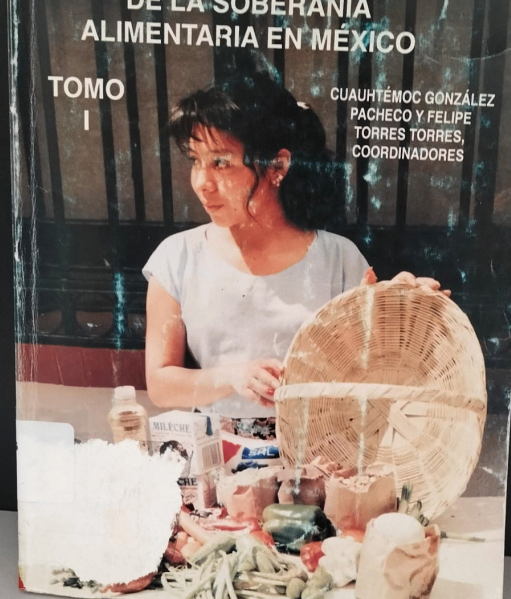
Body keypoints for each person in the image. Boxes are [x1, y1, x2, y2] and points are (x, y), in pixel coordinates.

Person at [143, 72, 444, 418]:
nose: (202, 183)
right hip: (218, 448)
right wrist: (232, 376)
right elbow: (160, 384)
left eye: (220, 162)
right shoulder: (177, 257)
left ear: (278, 166)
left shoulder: (339, 259)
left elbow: (369, 375)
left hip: (320, 445)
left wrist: (401, 313)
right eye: (196, 161)